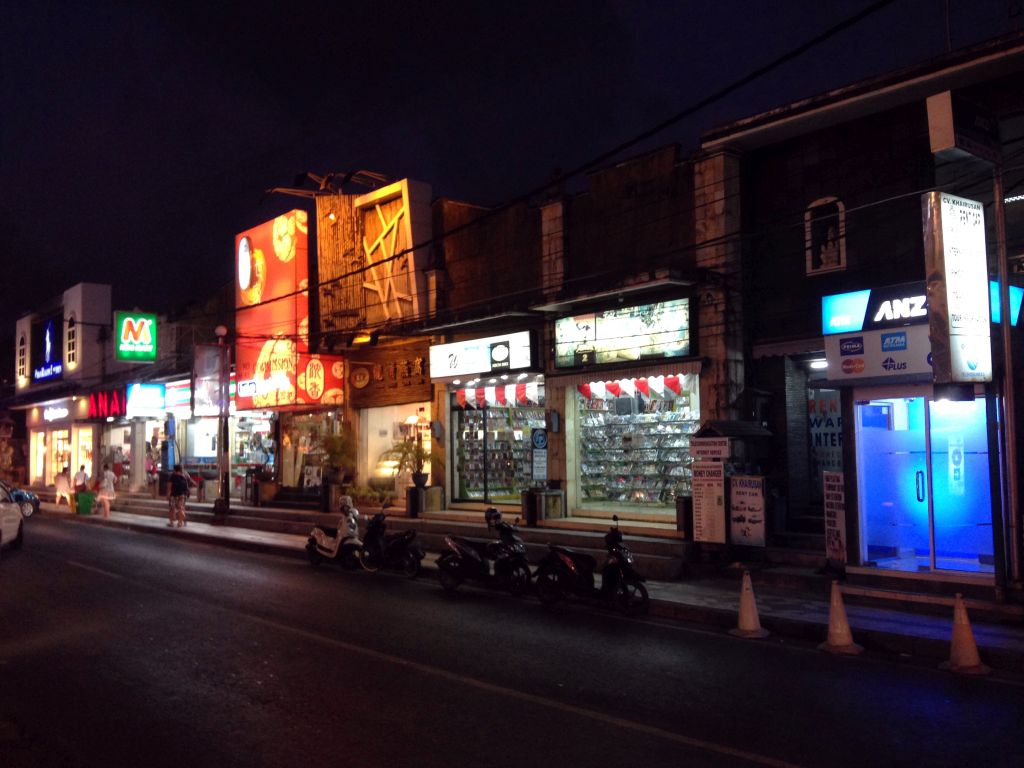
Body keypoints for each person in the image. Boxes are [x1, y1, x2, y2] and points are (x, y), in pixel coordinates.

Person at [166, 464, 190, 528]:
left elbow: (169, 487)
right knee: (180, 508)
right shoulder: (183, 476)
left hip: (173, 496)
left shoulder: (172, 476)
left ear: (174, 469)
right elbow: (186, 487)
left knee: (172, 509)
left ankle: (171, 523)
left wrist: (168, 495)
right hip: (182, 496)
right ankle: (180, 522)